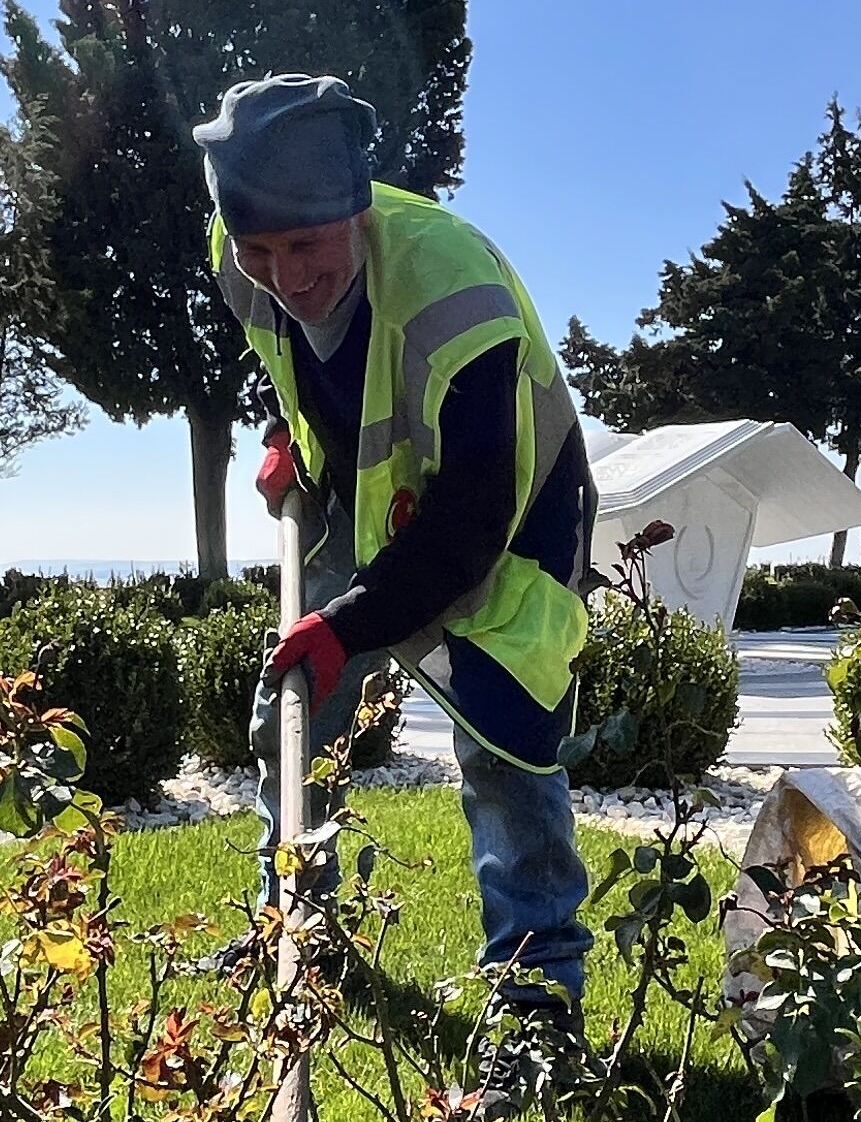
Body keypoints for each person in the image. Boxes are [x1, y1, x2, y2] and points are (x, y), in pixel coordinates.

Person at [191, 72, 597, 1049]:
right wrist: (292, 438)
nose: (285, 276)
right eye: (260, 250)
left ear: (358, 211)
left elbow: (468, 518)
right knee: (295, 708)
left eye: (307, 246)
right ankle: (296, 926)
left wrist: (352, 623)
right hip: (362, 506)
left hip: (509, 522)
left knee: (506, 753)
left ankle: (536, 1008)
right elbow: (309, 366)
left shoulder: (455, 292)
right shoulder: (236, 254)